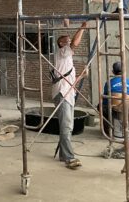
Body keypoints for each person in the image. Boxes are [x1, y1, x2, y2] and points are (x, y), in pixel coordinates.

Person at [51, 21, 87, 170]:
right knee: (66, 125)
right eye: (66, 39)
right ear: (60, 43)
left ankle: (63, 154)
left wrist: (82, 75)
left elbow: (69, 81)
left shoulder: (67, 58)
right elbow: (75, 43)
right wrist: (83, 27)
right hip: (62, 93)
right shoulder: (61, 52)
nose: (69, 40)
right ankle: (69, 157)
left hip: (68, 93)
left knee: (68, 126)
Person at [102, 62, 129, 138]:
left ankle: (108, 129)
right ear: (124, 71)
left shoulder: (109, 83)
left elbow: (105, 99)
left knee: (101, 106)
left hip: (114, 111)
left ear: (113, 72)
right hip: (128, 110)